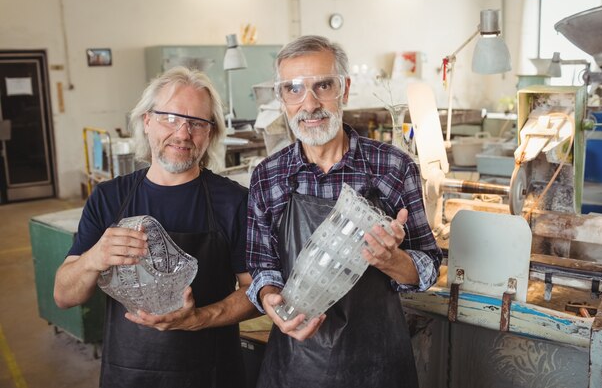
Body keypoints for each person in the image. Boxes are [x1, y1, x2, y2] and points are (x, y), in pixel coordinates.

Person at [246, 35, 443, 388]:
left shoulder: (392, 167)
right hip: (295, 361)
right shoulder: (268, 176)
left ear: (345, 89)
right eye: (293, 89)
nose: (310, 104)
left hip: (377, 363)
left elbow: (428, 267)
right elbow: (262, 268)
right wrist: (270, 299)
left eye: (323, 86)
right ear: (282, 99)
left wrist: (392, 261)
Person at [54, 66, 257, 388]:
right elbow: (64, 296)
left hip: (212, 372)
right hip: (129, 371)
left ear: (211, 133)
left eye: (197, 123)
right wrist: (94, 258)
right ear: (147, 121)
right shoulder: (110, 198)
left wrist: (199, 318)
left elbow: (257, 291)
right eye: (170, 118)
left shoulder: (234, 201)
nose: (183, 133)